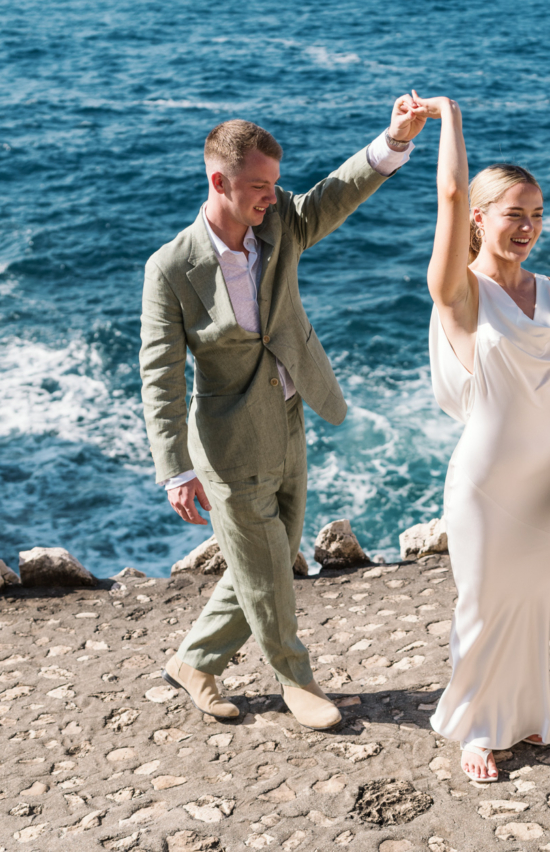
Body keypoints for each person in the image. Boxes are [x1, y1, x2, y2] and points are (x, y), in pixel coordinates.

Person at [140, 100, 428, 731]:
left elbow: (336, 193)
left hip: (291, 416)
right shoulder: (170, 269)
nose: (273, 196)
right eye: (259, 186)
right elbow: (159, 373)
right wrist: (175, 470)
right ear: (219, 182)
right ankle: (296, 681)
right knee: (269, 567)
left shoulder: (280, 222)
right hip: (228, 443)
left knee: (273, 555)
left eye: (275, 183)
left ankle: (194, 661)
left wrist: (393, 140)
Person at [417, 92, 550, 781]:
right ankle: (476, 726)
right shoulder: (461, 295)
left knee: (534, 601)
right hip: (486, 483)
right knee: (482, 602)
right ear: (480, 220)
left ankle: (530, 715)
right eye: (514, 214)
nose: (529, 226)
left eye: (537, 214)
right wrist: (449, 117)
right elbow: (447, 193)